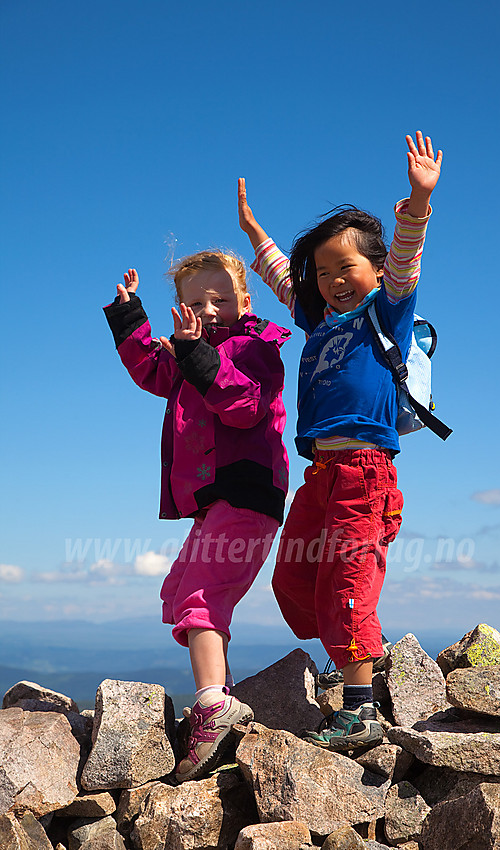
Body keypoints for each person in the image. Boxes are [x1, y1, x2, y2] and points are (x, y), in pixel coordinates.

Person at [238, 131, 442, 751]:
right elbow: (283, 280)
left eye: (345, 268)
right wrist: (253, 234)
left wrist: (417, 199)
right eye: (323, 273)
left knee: (348, 580)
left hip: (365, 473)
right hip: (319, 477)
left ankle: (361, 708)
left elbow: (405, 259)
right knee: (294, 581)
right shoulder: (319, 321)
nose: (332, 281)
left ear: (374, 271)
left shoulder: (385, 311)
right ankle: (347, 660)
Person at [103, 248, 290, 780]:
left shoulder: (256, 346)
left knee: (200, 594)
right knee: (182, 587)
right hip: (217, 499)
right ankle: (220, 698)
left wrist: (194, 354)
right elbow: (152, 372)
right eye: (194, 302)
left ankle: (210, 703)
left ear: (244, 301)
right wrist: (130, 317)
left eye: (220, 299)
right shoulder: (189, 353)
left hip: (248, 491)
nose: (208, 310)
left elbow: (244, 402)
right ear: (179, 309)